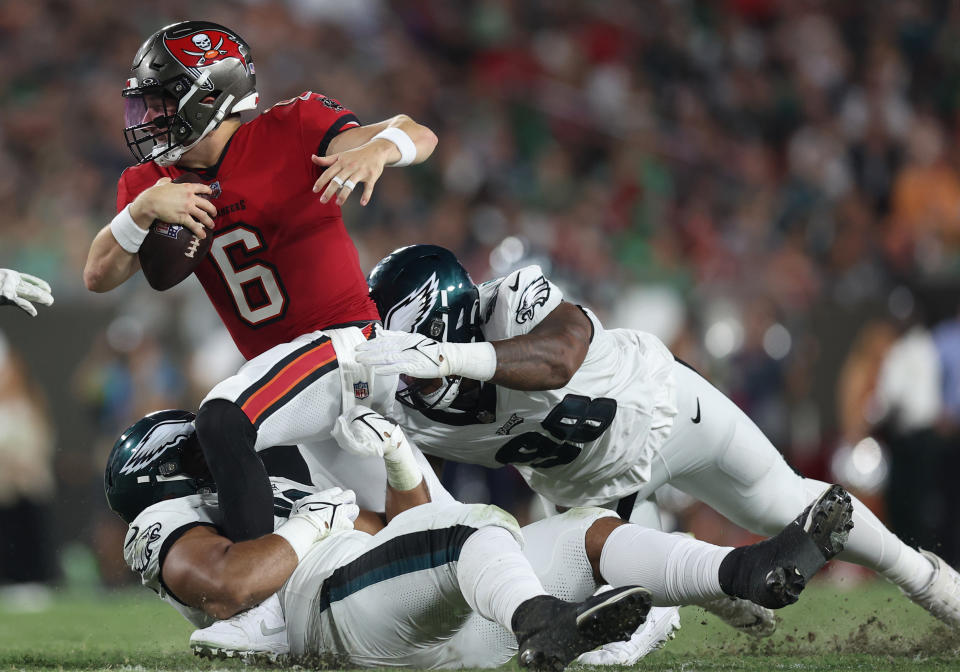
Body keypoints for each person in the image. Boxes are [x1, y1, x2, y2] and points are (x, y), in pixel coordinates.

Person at [357, 244, 960, 638]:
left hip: (660, 410)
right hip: (584, 493)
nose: (408, 372)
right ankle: (718, 590)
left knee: (786, 503)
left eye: (413, 350)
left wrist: (450, 357)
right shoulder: (404, 409)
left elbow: (560, 359)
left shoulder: (511, 301)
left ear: (445, 322)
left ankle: (926, 579)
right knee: (616, 627)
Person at [105, 407, 852, 669]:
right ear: (167, 468)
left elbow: (395, 531)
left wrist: (397, 463)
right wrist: (313, 522)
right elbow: (232, 582)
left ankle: (746, 570)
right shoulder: (162, 519)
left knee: (583, 532)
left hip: (393, 603)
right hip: (327, 615)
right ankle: (544, 626)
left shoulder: (280, 502)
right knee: (470, 532)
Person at [82, 21, 438, 544]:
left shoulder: (292, 127)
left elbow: (418, 132)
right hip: (289, 375)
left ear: (208, 97)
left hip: (345, 348)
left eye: (162, 102)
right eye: (146, 105)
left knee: (223, 420)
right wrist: (139, 213)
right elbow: (97, 274)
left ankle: (248, 595)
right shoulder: (149, 183)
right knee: (408, 532)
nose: (151, 118)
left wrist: (379, 149)